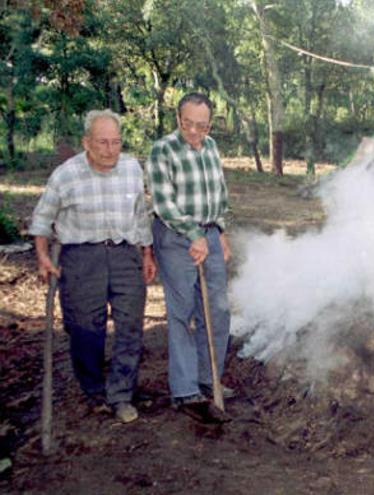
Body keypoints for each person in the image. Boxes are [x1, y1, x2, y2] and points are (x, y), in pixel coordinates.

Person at [30, 109, 156, 424]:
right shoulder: (65, 175)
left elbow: (141, 215)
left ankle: (121, 394)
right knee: (86, 329)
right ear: (87, 142)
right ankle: (94, 390)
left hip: (125, 254)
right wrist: (43, 256)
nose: (110, 149)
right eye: (102, 142)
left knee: (130, 327)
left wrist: (147, 254)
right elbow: (42, 219)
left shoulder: (131, 169)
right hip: (81, 258)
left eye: (116, 142)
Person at [146, 92, 233, 422]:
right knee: (182, 313)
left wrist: (218, 232)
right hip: (175, 236)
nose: (194, 132)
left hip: (208, 234)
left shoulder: (211, 147)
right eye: (187, 124)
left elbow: (219, 194)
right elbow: (164, 203)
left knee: (217, 310)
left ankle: (209, 378)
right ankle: (185, 391)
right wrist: (193, 234)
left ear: (211, 123)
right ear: (178, 119)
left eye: (202, 125)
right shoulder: (163, 149)